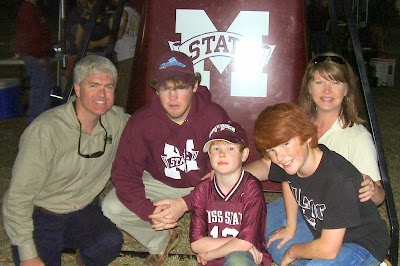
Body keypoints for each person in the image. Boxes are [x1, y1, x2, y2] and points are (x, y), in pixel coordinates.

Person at [101, 50, 231, 266]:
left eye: (181, 87)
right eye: (165, 88)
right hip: (162, 183)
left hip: (205, 185)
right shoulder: (142, 121)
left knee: (227, 221)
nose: (173, 97)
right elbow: (125, 172)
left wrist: (185, 203)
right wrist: (148, 210)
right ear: (157, 89)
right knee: (111, 207)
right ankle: (161, 239)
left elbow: (225, 172)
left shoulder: (213, 116)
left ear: (194, 86)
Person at [2, 55, 129, 266]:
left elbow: (151, 128)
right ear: (78, 89)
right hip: (41, 216)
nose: (102, 94)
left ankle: (84, 258)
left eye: (108, 87)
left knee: (109, 242)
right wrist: (27, 253)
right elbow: (17, 198)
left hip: (81, 211)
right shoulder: (46, 131)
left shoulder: (116, 122)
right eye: (94, 85)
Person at [253, 102, 390, 266]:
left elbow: (328, 249)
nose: (280, 157)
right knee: (270, 235)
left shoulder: (337, 178)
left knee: (288, 252)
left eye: (285, 144)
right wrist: (291, 226)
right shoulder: (291, 161)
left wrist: (293, 251)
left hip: (361, 243)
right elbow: (288, 181)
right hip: (325, 232)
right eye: (271, 150)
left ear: (307, 137)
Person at [299, 52, 385, 206]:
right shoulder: (296, 126)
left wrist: (371, 188)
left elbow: (378, 197)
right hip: (299, 205)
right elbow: (268, 165)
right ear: (309, 89)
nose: (327, 91)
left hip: (332, 217)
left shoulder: (358, 137)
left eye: (335, 83)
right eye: (319, 82)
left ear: (346, 90)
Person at [190, 121, 272, 266]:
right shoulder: (202, 189)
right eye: (216, 148)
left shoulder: (251, 188)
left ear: (244, 154)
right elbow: (196, 244)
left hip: (244, 257)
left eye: (230, 148)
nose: (222, 154)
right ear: (209, 153)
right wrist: (238, 242)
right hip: (221, 257)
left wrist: (209, 254)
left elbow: (245, 245)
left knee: (237, 260)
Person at [15, 0, 54, 124]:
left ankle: (39, 119)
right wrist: (39, 55)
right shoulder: (28, 10)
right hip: (36, 56)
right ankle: (36, 120)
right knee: (40, 88)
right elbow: (32, 35)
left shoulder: (34, 8)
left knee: (42, 87)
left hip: (37, 54)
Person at [112, 0, 141, 111]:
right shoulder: (136, 13)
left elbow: (118, 34)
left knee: (122, 88)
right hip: (133, 53)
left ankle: (121, 116)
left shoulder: (122, 14)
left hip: (125, 55)